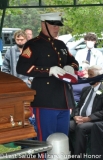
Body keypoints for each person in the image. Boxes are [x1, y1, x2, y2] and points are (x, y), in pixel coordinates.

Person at [16, 12, 79, 141]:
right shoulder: (33, 45)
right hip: (45, 99)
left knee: (62, 139)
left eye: (58, 25)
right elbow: (22, 67)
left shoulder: (60, 44)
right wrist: (48, 70)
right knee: (47, 139)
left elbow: (74, 61)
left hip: (63, 99)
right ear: (43, 24)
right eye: (53, 25)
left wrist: (71, 67)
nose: (57, 28)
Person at [69, 65, 103, 157]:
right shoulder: (86, 89)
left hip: (96, 121)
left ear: (99, 77)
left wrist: (88, 118)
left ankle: (79, 156)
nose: (88, 77)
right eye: (88, 75)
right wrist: (75, 115)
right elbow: (78, 106)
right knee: (66, 125)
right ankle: (70, 153)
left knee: (81, 128)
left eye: (91, 75)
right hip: (80, 118)